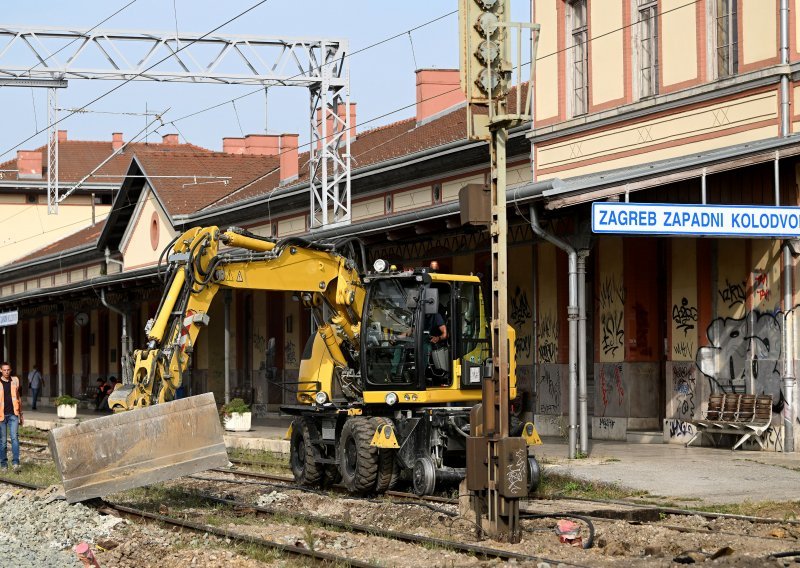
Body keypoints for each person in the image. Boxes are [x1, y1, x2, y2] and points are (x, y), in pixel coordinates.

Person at [0, 362, 23, 472]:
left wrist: (21, 414)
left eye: (8, 370)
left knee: (15, 438)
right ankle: (4, 464)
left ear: (11, 370)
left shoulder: (15, 381)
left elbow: (18, 398)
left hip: (13, 414)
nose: (6, 372)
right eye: (4, 370)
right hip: (1, 416)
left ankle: (15, 463)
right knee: (3, 441)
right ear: (1, 370)